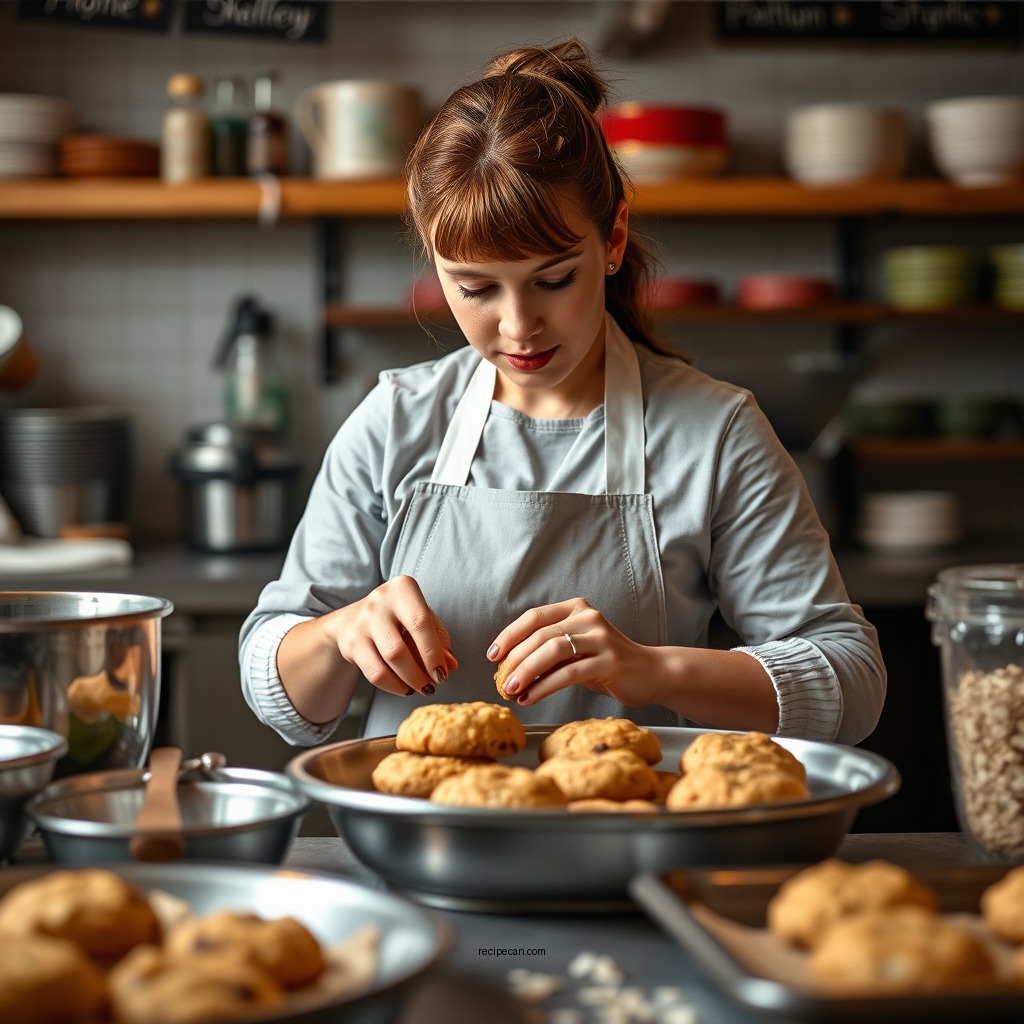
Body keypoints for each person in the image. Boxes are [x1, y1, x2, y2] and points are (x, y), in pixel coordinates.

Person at [240, 38, 885, 748]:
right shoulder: (395, 422)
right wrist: (339, 633)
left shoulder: (715, 431)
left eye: (553, 280)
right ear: (433, 263)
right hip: (426, 846)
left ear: (612, 241)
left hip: (638, 842)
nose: (518, 327)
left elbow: (851, 679)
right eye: (475, 287)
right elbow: (282, 694)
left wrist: (655, 670)